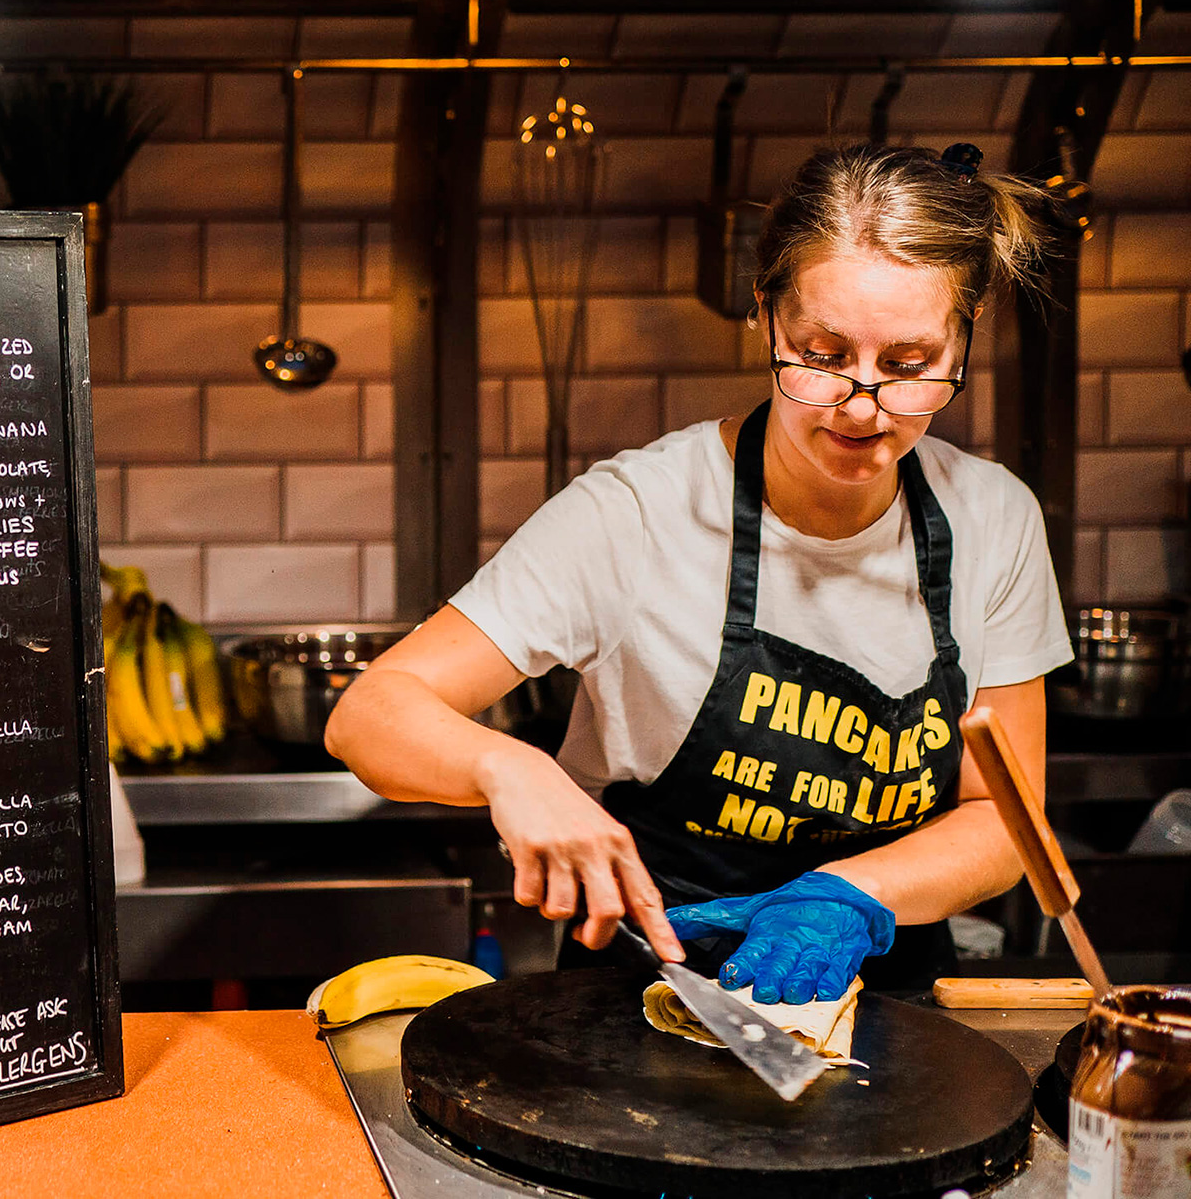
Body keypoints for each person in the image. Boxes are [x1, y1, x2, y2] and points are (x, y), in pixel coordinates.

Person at [325, 142, 1073, 1002]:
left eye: (909, 365)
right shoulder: (636, 514)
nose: (863, 405)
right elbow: (370, 717)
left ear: (965, 333)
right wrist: (512, 770)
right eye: (822, 354)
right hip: (643, 995)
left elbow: (1006, 820)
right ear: (764, 315)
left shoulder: (992, 518)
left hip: (889, 1011)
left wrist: (851, 896)